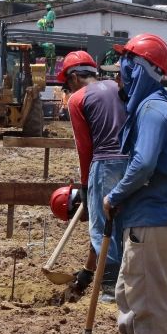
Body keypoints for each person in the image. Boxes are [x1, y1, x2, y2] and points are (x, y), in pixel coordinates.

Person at [103, 33, 167, 334]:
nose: (119, 73)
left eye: (125, 64)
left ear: (139, 69)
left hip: (155, 220)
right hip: (156, 218)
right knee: (132, 291)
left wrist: (115, 195)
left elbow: (143, 164)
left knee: (150, 299)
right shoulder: (158, 106)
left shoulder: (153, 110)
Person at [57, 50, 127, 303]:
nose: (67, 88)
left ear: (75, 77)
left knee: (101, 227)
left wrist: (86, 186)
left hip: (105, 163)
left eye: (67, 83)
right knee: (124, 223)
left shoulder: (78, 99)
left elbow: (84, 147)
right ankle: (120, 283)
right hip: (133, 162)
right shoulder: (118, 86)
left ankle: (109, 291)